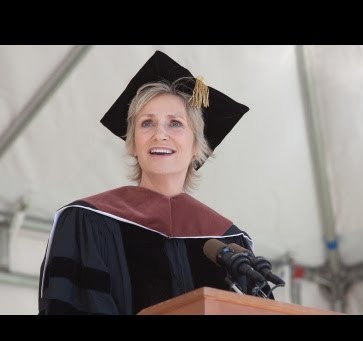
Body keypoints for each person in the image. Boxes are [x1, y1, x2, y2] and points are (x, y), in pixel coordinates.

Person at [38, 50, 263, 315]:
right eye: (147, 123)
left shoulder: (230, 241)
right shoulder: (87, 221)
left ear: (197, 146)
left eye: (175, 123)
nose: (160, 134)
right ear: (133, 143)